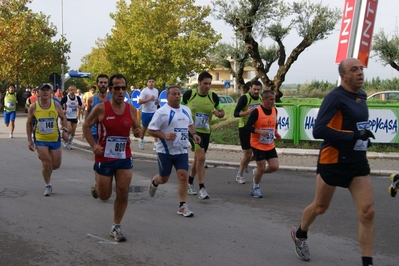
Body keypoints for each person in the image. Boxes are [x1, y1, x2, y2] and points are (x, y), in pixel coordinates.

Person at [290, 58, 375, 266]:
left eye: (361, 69)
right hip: (333, 160)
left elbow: (355, 126)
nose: (359, 73)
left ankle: (367, 262)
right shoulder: (334, 97)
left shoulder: (362, 96)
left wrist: (362, 138)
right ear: (343, 76)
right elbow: (318, 130)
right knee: (320, 207)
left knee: (368, 211)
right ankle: (300, 233)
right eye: (353, 70)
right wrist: (353, 135)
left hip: (356, 161)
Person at [82, 74, 141, 242]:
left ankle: (116, 226)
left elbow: (137, 128)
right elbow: (86, 126)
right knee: (104, 196)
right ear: (111, 90)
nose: (120, 91)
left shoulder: (131, 109)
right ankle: (97, 185)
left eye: (123, 88)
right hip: (104, 156)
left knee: (123, 191)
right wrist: (94, 145)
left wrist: (138, 132)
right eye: (117, 88)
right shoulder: (101, 108)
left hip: (124, 155)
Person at [147, 85, 201, 217]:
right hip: (165, 151)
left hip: (181, 150)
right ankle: (155, 181)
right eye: (174, 94)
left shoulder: (186, 109)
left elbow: (190, 123)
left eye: (179, 94)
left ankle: (182, 206)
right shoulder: (161, 112)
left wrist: (194, 134)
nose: (177, 96)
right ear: (168, 96)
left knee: (183, 177)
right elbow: (151, 130)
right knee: (164, 178)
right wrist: (164, 136)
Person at [181, 71, 225, 199]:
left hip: (206, 131)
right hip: (191, 130)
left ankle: (189, 182)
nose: (208, 86)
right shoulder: (190, 95)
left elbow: (222, 112)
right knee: (201, 158)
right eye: (205, 83)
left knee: (198, 159)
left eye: (210, 84)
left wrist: (218, 114)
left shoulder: (213, 97)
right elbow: (180, 108)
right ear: (199, 83)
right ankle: (202, 188)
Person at [26, 83, 69, 196]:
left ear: (51, 93)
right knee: (46, 162)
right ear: (38, 93)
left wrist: (64, 130)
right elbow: (29, 123)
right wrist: (29, 140)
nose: (45, 92)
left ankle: (47, 168)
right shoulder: (34, 107)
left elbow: (63, 118)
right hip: (40, 139)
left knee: (56, 165)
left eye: (47, 90)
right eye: (43, 90)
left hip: (54, 138)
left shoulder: (55, 105)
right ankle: (48, 185)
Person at [243, 90, 281, 198]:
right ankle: (255, 188)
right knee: (262, 167)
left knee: (274, 166)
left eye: (274, 99)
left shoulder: (275, 110)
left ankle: (257, 171)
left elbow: (274, 124)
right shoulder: (257, 111)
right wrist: (259, 132)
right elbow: (248, 127)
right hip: (257, 144)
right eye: (270, 99)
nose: (273, 101)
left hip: (269, 144)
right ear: (264, 100)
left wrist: (276, 133)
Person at [233, 80, 262, 184]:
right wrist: (246, 113)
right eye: (254, 89)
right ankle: (239, 175)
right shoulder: (245, 98)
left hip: (256, 129)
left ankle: (246, 163)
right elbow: (235, 113)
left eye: (258, 90)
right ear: (250, 88)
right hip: (244, 128)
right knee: (248, 153)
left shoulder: (260, 98)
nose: (256, 91)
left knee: (259, 153)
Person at [86, 74, 111, 143]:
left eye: (105, 83)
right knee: (97, 152)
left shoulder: (113, 99)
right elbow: (88, 112)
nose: (103, 84)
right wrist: (86, 128)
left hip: (109, 132)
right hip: (95, 132)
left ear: (108, 84)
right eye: (101, 82)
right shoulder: (91, 99)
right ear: (97, 84)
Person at [138, 77, 159, 150]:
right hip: (146, 112)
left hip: (154, 111)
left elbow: (155, 101)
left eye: (152, 81)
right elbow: (139, 101)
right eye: (149, 81)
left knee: (155, 128)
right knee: (144, 128)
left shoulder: (156, 90)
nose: (151, 83)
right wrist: (149, 99)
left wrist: (157, 102)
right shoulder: (144, 91)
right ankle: (141, 140)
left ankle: (155, 144)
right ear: (147, 83)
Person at [60, 85, 83, 149]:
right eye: (71, 90)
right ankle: (65, 140)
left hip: (74, 116)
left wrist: (80, 107)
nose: (72, 91)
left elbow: (81, 106)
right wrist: (63, 110)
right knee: (69, 129)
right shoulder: (66, 98)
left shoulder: (77, 98)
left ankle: (69, 143)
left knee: (73, 132)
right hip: (67, 116)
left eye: (73, 90)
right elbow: (60, 105)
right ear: (69, 91)